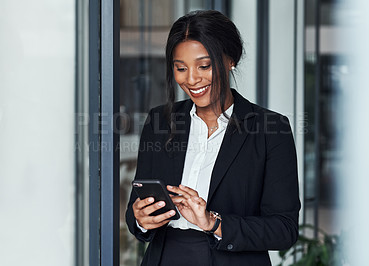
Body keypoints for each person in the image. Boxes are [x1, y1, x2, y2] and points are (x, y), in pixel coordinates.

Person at [126, 10, 300, 266]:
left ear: (230, 60)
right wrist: (141, 220)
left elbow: (284, 229)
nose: (192, 79)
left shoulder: (271, 129)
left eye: (204, 66)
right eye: (181, 68)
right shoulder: (159, 122)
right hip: (165, 258)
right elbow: (136, 210)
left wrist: (213, 223)